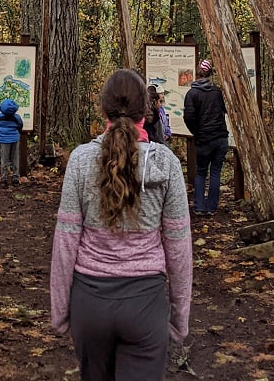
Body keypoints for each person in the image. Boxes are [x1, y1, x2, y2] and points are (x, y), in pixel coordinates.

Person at [50, 69, 192, 380]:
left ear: (103, 110)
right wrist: (180, 317)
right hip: (145, 305)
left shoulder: (80, 160)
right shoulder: (165, 164)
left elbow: (66, 240)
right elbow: (179, 245)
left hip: (90, 304)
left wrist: (60, 311)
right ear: (148, 110)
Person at [183, 59, 229, 216]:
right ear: (210, 74)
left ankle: (199, 206)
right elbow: (224, 110)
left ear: (197, 74)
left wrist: (197, 132)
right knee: (215, 172)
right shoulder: (217, 92)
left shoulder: (192, 94)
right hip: (220, 137)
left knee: (201, 172)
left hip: (204, 140)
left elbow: (188, 117)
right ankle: (211, 207)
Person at [0, 98, 23, 186]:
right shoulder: (16, 117)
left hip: (4, 141)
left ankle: (4, 178)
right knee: (15, 158)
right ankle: (15, 177)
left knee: (4, 159)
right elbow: (20, 126)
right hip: (15, 139)